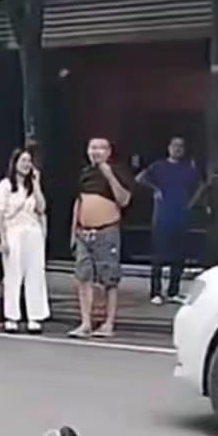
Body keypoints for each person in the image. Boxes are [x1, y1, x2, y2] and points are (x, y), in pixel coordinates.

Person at [70, 136, 132, 339]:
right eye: (92, 148)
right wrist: (74, 231)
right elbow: (79, 201)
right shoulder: (84, 173)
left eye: (100, 148)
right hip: (84, 232)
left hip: (106, 231)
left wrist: (109, 175)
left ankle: (108, 322)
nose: (95, 152)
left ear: (108, 152)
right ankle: (86, 322)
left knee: (109, 279)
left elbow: (124, 200)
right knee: (83, 276)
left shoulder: (118, 171)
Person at [137, 136, 205, 303]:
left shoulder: (188, 169)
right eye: (174, 146)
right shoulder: (159, 166)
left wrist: (191, 203)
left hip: (181, 215)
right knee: (158, 255)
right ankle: (155, 292)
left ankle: (173, 291)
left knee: (179, 256)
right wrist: (155, 189)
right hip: (162, 216)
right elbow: (139, 178)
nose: (177, 149)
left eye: (181, 146)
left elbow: (202, 185)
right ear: (168, 148)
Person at [0, 147, 50, 333]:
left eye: (29, 161)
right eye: (23, 161)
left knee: (35, 274)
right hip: (13, 231)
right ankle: (11, 316)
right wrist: (2, 239)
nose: (26, 165)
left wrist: (37, 184)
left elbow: (41, 208)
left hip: (33, 232)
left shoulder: (32, 187)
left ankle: (35, 316)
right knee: (12, 275)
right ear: (15, 163)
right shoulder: (5, 186)